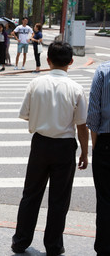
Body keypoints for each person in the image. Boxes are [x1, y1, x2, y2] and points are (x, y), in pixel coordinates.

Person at [12, 42, 89, 256]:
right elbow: (81, 124)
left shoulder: (36, 84)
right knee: (59, 199)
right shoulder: (76, 88)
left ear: (48, 60)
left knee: (31, 194)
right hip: (64, 146)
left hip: (40, 143)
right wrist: (84, 151)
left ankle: (20, 241)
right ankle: (53, 246)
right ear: (71, 62)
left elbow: (25, 113)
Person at [86, 61, 110, 256]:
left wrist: (96, 145)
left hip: (106, 142)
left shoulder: (103, 71)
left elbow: (93, 114)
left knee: (104, 199)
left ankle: (104, 248)